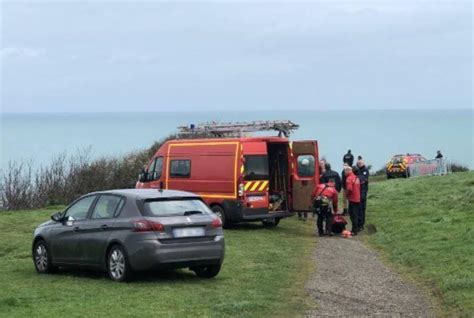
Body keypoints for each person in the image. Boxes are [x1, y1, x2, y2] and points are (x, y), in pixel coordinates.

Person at [345, 165, 360, 235]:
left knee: (352, 215)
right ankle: (355, 229)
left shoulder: (349, 178)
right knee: (356, 214)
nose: (345, 172)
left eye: (345, 171)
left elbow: (349, 189)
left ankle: (354, 230)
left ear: (349, 171)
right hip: (357, 198)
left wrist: (347, 195)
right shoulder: (356, 178)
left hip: (352, 199)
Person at [357, 159, 369, 229]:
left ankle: (362, 224)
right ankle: (360, 223)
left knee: (362, 209)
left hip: (363, 191)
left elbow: (364, 179)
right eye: (358, 163)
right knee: (359, 209)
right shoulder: (358, 170)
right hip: (359, 191)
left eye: (360, 163)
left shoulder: (365, 170)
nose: (359, 164)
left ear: (363, 163)